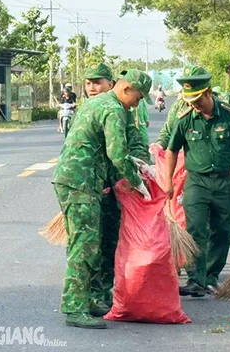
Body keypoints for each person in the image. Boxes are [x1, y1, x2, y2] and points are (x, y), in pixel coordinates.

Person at [52, 69, 152, 329]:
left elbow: (105, 148)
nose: (137, 104)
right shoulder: (114, 109)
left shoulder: (99, 102)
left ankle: (87, 301)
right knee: (83, 246)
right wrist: (137, 183)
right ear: (127, 89)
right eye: (139, 98)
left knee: (91, 245)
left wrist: (134, 162)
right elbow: (116, 152)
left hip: (81, 180)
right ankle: (74, 308)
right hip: (80, 182)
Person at [165, 65, 230, 297]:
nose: (193, 104)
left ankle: (211, 277)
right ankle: (196, 278)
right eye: (189, 100)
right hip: (197, 183)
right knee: (195, 230)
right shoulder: (185, 119)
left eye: (198, 99)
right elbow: (172, 150)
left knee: (222, 231)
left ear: (208, 93)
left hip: (225, 183)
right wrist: (169, 182)